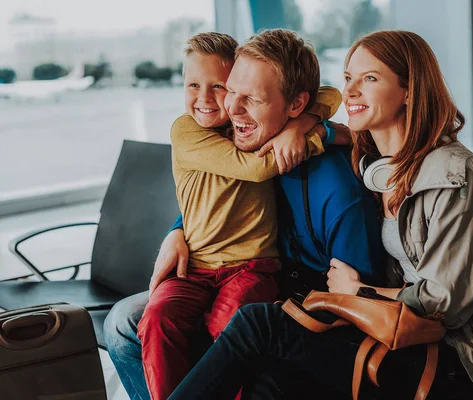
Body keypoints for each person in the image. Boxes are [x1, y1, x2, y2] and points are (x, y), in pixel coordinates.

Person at [168, 30, 473, 400]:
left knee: (258, 326)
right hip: (394, 335)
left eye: (369, 78)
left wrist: (358, 292)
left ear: (408, 91)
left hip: (455, 360)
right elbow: (334, 124)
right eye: (349, 76)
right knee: (268, 376)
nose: (350, 89)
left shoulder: (452, 172)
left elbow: (447, 303)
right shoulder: (374, 162)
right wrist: (180, 228)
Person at [104, 28, 386, 400]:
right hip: (222, 271)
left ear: (296, 105)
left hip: (299, 306)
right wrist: (178, 229)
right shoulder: (243, 144)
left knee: (230, 328)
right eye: (231, 90)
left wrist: (314, 129)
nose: (230, 109)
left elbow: (354, 313)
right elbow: (219, 196)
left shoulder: (335, 190)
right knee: (124, 320)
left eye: (249, 98)